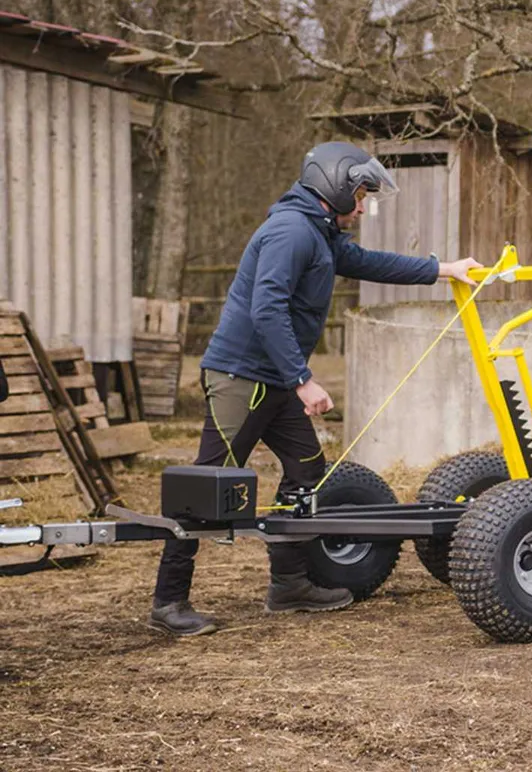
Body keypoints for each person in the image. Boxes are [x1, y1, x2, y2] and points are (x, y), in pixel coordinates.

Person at [148, 141, 482, 637]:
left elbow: (371, 263)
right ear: (337, 186)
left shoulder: (319, 232)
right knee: (208, 484)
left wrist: (442, 269)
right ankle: (169, 601)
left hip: (274, 377)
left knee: (307, 471)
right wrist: (303, 379)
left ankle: (290, 585)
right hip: (242, 377)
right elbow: (267, 310)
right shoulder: (289, 232)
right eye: (363, 194)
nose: (366, 206)